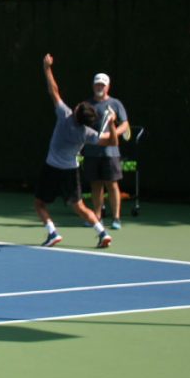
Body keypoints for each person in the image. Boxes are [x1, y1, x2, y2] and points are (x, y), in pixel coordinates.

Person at [34, 54, 120, 248]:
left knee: (39, 204)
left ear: (76, 112)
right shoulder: (87, 133)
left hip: (51, 168)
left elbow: (53, 91)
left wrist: (47, 68)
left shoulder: (64, 115)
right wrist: (112, 123)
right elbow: (113, 141)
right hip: (71, 172)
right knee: (80, 207)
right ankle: (102, 233)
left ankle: (52, 232)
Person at [82, 72, 130, 229]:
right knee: (95, 185)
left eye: (102, 85)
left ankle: (116, 218)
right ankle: (97, 218)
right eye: (97, 84)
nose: (99, 87)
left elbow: (125, 125)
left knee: (112, 184)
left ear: (108, 87)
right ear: (93, 86)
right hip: (91, 152)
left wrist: (111, 134)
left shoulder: (115, 104)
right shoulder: (87, 104)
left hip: (110, 153)